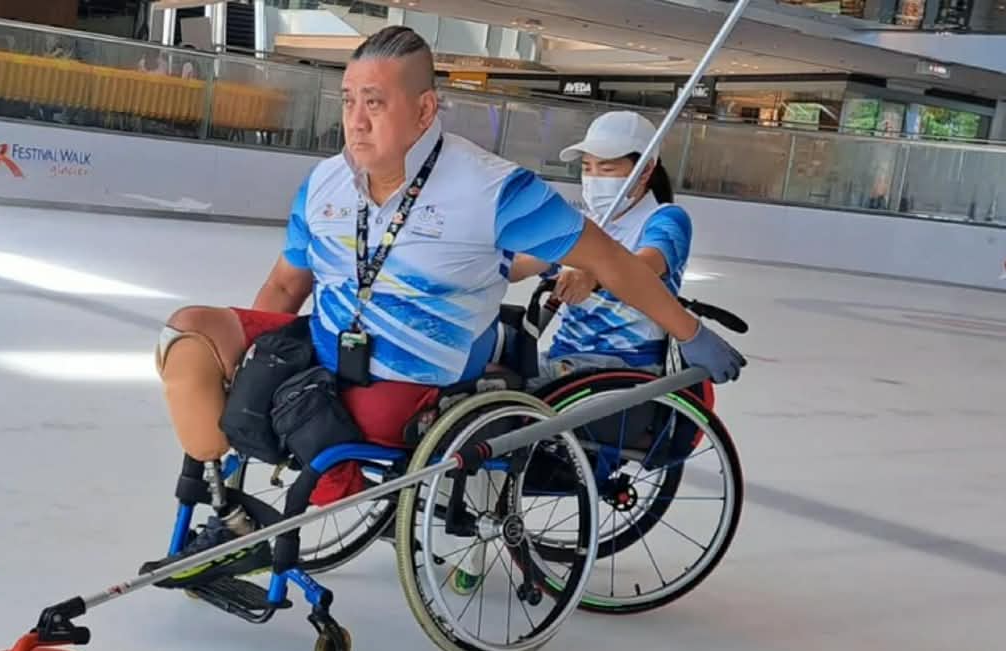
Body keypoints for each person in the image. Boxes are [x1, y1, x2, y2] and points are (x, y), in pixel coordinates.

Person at [151, 26, 743, 589]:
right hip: (331, 340)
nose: (355, 122)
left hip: (415, 371)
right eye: (349, 100)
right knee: (190, 336)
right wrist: (258, 361)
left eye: (376, 104)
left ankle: (329, 475)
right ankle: (229, 501)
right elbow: (284, 289)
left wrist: (688, 332)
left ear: (425, 110)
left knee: (318, 413)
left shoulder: (492, 191)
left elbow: (613, 261)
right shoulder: (326, 184)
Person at [505, 112, 693, 380]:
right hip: (567, 356)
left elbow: (647, 264)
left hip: (624, 363)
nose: (593, 178)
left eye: (606, 169)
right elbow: (523, 263)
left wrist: (593, 275)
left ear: (645, 170)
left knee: (507, 392)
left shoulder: (665, 219)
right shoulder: (585, 224)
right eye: (586, 167)